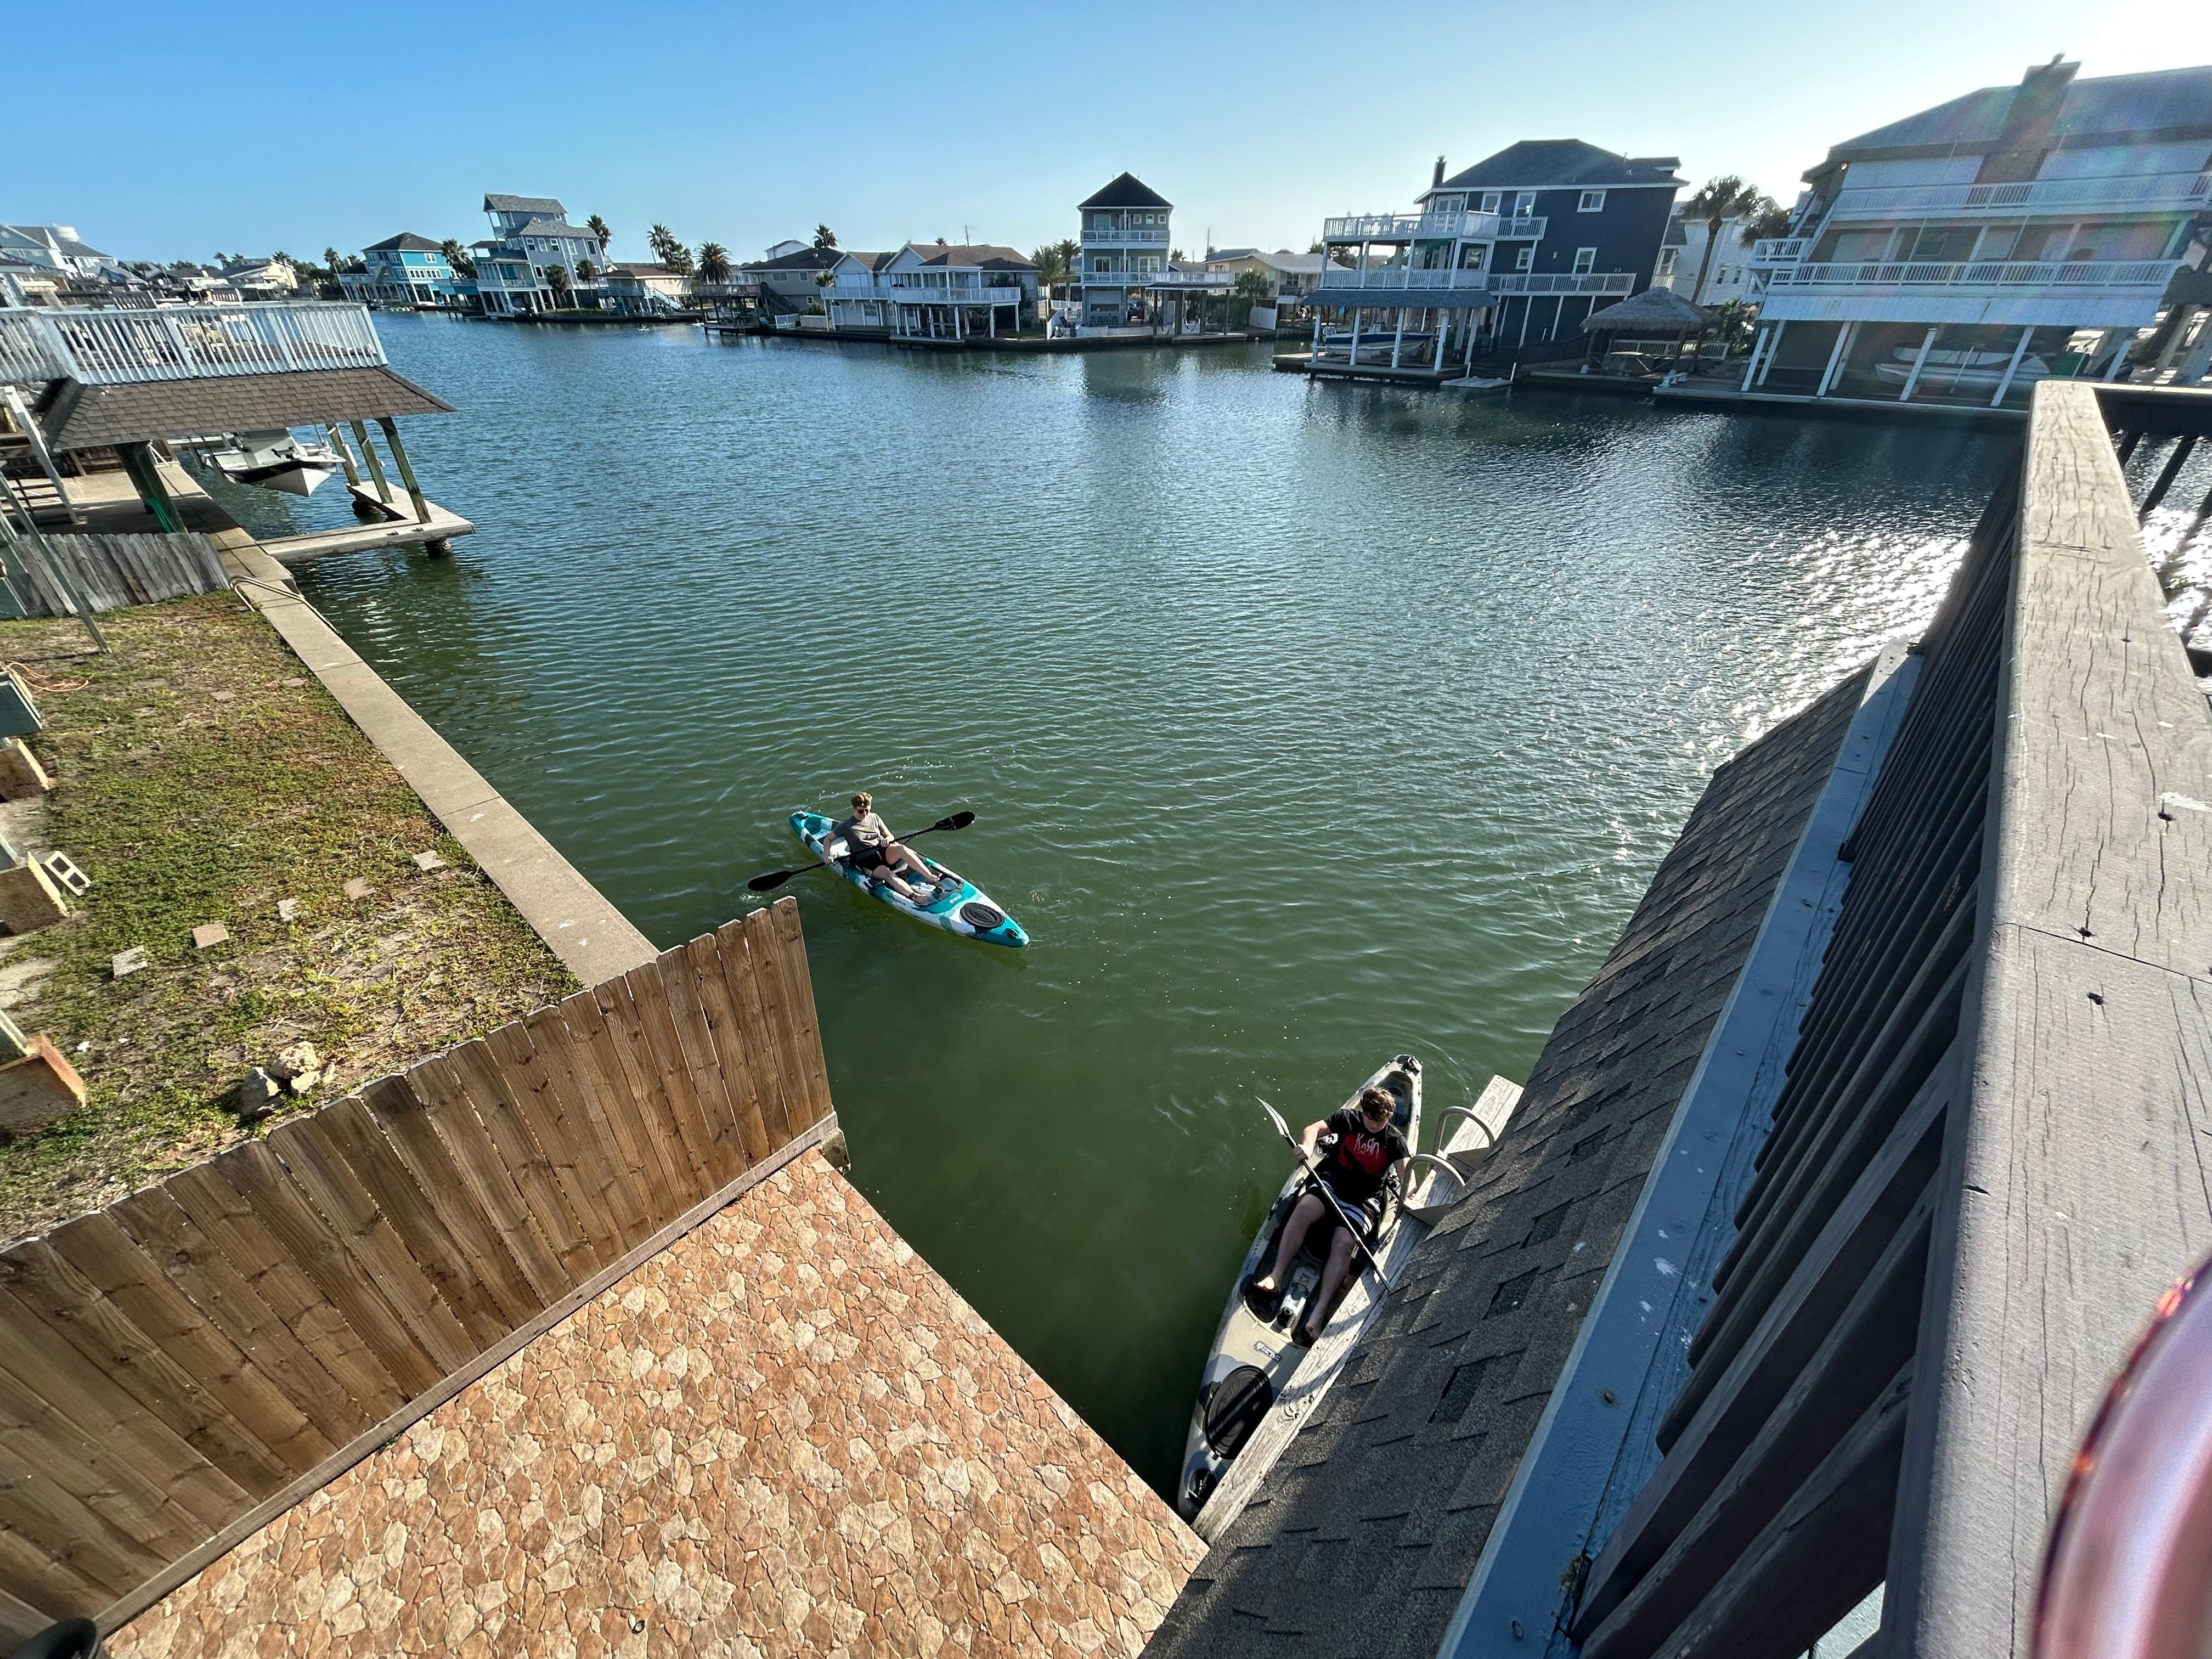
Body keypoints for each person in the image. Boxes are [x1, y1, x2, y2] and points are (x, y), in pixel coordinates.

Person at [1249, 1081, 1412, 1346]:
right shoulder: (1348, 1118)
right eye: (1370, 1118)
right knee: (1302, 1209)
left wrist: (1411, 1193)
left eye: (1379, 1121)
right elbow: (1313, 1129)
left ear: (1388, 1118)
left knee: (1345, 1243)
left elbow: (1408, 1179)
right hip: (1332, 1182)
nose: (1373, 1124)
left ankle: (1319, 1311)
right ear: (1364, 1112)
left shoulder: (1394, 1140)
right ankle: (1276, 1276)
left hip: (1364, 1199)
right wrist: (1307, 1147)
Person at [834, 792, 936, 902]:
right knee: (886, 872)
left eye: (867, 810)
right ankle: (913, 896)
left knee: (901, 849)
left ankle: (930, 877)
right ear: (854, 808)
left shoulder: (874, 817)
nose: (865, 814)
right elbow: (828, 839)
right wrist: (827, 856)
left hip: (881, 852)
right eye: (861, 811)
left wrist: (887, 840)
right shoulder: (846, 825)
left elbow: (889, 835)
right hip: (866, 861)